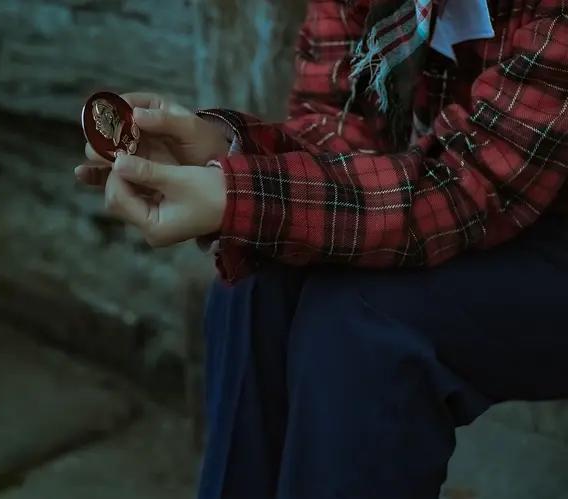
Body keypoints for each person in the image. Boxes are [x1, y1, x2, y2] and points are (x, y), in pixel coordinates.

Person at [76, 1, 568, 498]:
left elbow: (471, 184)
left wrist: (239, 195)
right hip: (458, 196)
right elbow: (340, 125)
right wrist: (218, 151)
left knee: (366, 329)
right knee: (259, 280)